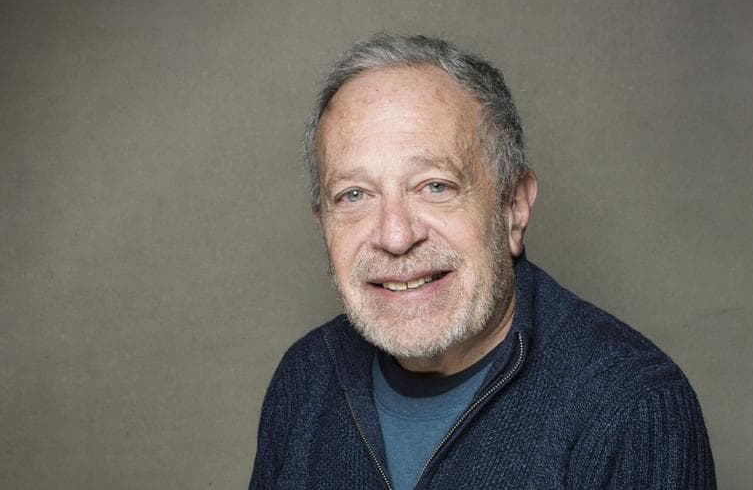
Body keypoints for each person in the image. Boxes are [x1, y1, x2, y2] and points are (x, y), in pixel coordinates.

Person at [248, 33, 715, 489]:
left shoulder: (633, 408)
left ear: (514, 207)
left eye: (435, 186)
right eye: (354, 195)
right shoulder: (305, 378)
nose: (395, 236)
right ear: (322, 222)